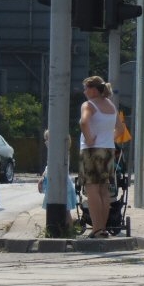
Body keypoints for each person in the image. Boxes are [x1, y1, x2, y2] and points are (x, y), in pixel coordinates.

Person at [78, 75, 124, 238]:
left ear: (93, 90)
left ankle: (96, 229)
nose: (84, 91)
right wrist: (109, 138)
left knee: (92, 191)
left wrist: (89, 138)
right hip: (108, 150)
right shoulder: (111, 106)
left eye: (86, 88)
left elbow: (84, 122)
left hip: (91, 151)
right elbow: (120, 129)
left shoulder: (88, 105)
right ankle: (102, 228)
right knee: (105, 191)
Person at [38, 129, 76, 230]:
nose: (46, 142)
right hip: (58, 184)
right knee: (62, 211)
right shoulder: (56, 153)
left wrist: (43, 177)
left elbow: (53, 168)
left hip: (62, 185)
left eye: (48, 139)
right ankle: (65, 230)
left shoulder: (60, 153)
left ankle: (69, 231)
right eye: (45, 139)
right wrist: (43, 178)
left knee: (66, 212)